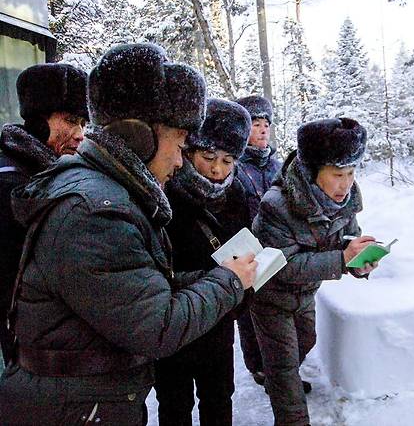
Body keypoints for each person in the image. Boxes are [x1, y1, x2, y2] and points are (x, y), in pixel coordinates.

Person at [0, 43, 256, 425]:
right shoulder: (98, 212)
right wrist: (228, 282)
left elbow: (136, 284)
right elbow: (157, 326)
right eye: (180, 145)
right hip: (77, 409)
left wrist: (208, 277)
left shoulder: (104, 195)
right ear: (141, 137)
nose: (179, 161)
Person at [251, 117, 378, 426]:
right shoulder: (276, 205)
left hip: (306, 294)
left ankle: (277, 379)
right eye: (337, 174)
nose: (345, 183)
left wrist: (361, 263)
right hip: (270, 296)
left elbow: (347, 241)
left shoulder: (345, 202)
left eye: (350, 173)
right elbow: (284, 267)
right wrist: (341, 259)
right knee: (284, 371)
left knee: (302, 346)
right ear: (311, 172)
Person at [155, 98, 252, 426]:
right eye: (209, 157)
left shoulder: (236, 193)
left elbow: (246, 245)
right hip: (175, 321)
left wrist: (243, 288)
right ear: (188, 150)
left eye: (227, 160)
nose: (217, 169)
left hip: (218, 321)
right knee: (174, 402)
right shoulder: (163, 193)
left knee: (219, 396)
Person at [0, 63, 88, 366]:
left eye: (84, 124)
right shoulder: (11, 180)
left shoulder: (50, 170)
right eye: (71, 121)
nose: (80, 135)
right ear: (39, 120)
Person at [234, 95, 281, 385]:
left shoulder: (277, 166)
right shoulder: (234, 165)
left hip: (278, 249)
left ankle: (281, 369)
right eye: (256, 124)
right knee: (250, 315)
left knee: (277, 314)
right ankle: (259, 367)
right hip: (247, 250)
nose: (263, 130)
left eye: (266, 124)